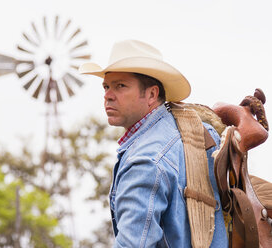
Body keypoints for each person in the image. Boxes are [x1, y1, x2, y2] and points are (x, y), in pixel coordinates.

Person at [79, 40, 228, 247]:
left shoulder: (144, 162)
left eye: (120, 86)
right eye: (106, 86)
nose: (107, 96)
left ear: (151, 94)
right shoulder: (200, 130)